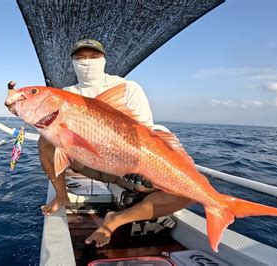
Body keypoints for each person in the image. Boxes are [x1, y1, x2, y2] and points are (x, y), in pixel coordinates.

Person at [36, 39, 194, 247]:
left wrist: (139, 167)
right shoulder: (66, 93)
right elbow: (47, 124)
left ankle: (115, 220)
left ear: (104, 60)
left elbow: (145, 132)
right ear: (72, 62)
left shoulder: (128, 88)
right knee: (45, 141)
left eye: (93, 57)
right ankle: (62, 196)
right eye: (80, 58)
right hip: (87, 163)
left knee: (185, 193)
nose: (87, 62)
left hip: (125, 165)